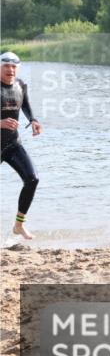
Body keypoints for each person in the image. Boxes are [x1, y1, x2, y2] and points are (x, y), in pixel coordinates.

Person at [1, 52, 42, 240]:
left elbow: (24, 103)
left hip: (11, 144)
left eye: (13, 66)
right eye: (6, 66)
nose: (10, 70)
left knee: (32, 179)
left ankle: (19, 225)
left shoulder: (20, 85)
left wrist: (33, 120)